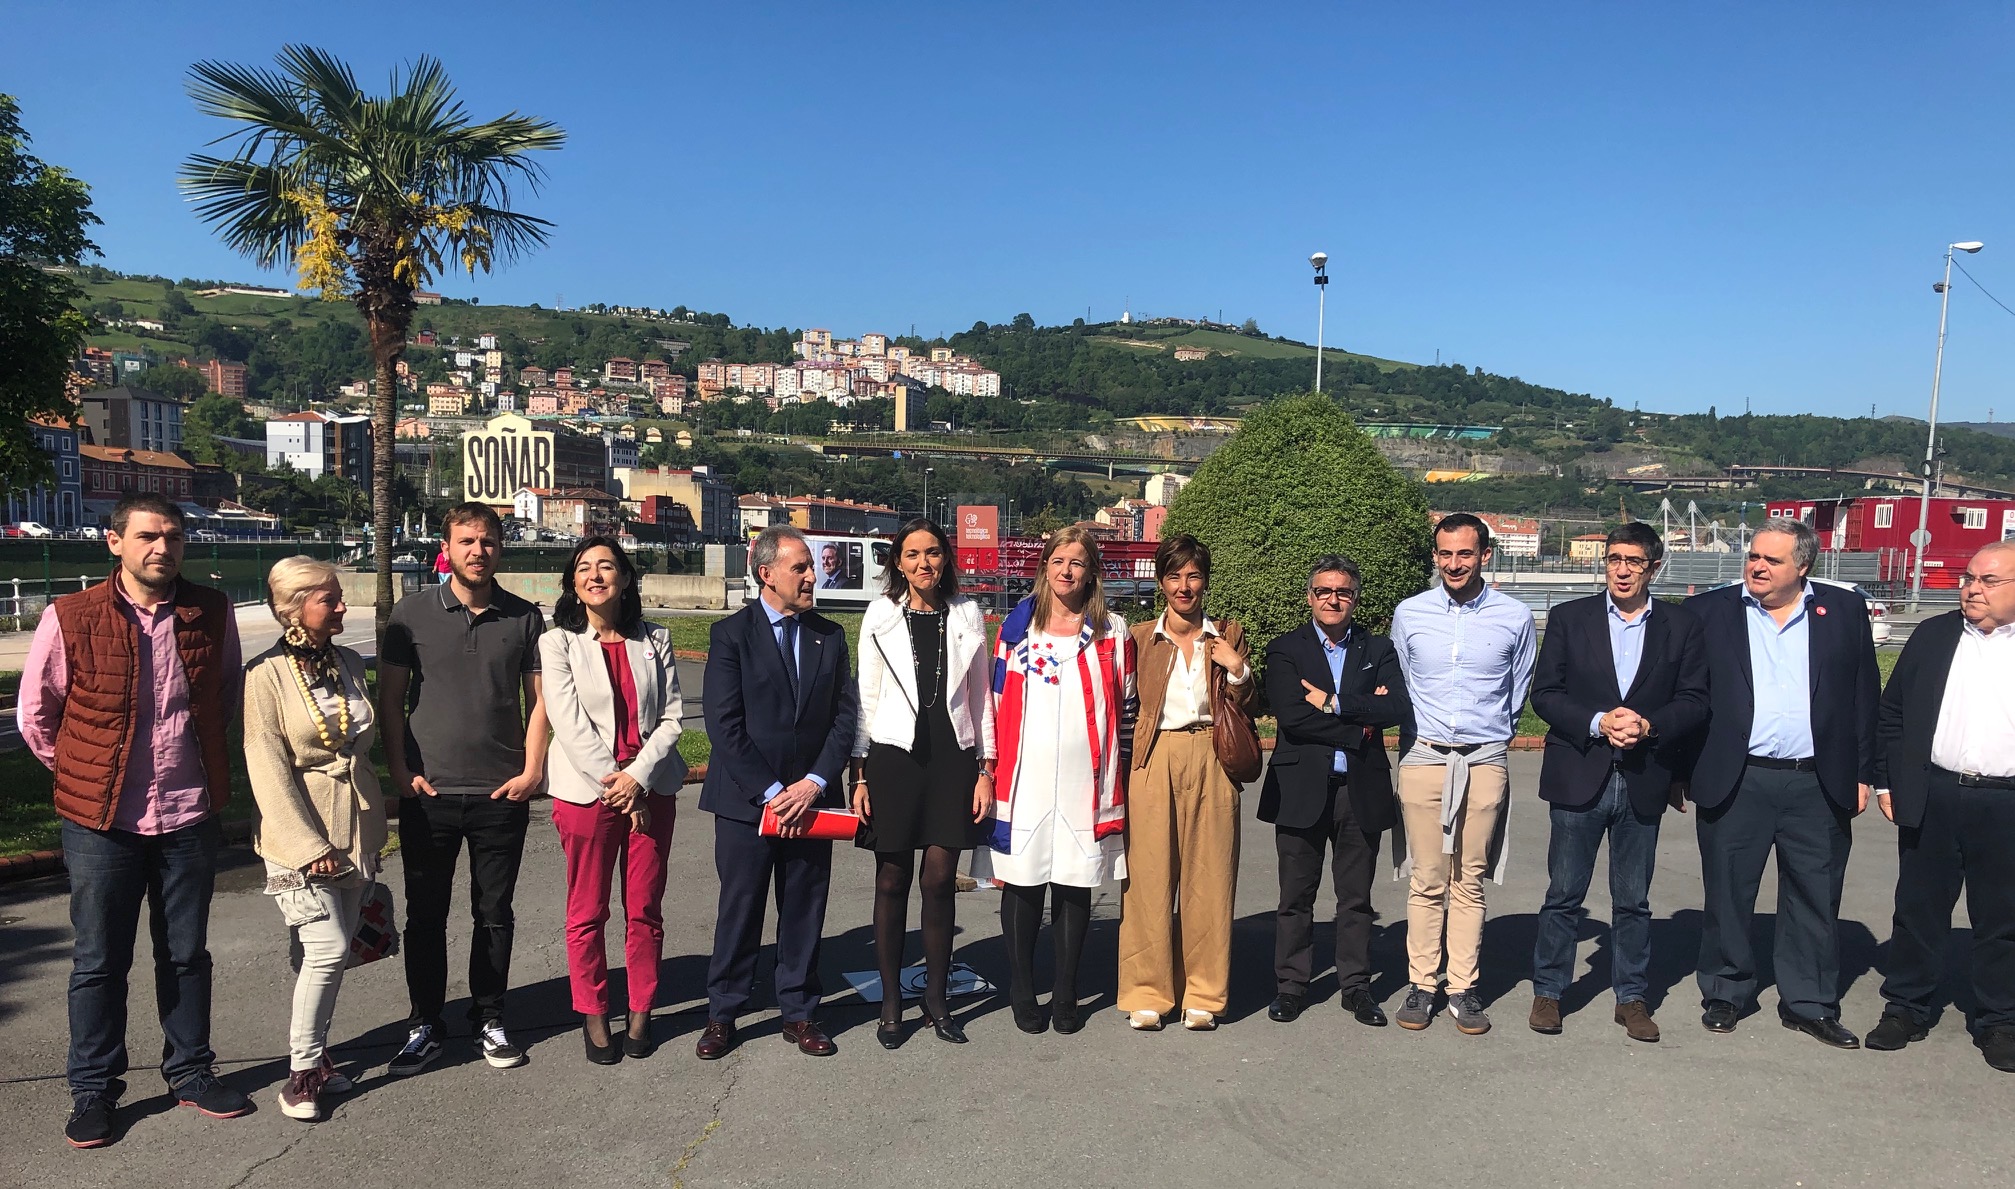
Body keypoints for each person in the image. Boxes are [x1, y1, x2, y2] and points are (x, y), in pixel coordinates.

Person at [17, 492, 250, 1148]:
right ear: (114, 542)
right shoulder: (72, 615)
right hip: (100, 819)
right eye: (148, 535)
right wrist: (82, 772)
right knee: (98, 958)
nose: (163, 547)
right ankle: (93, 1088)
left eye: (173, 536)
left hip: (187, 811)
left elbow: (223, 693)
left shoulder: (211, 610)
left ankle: (191, 1070)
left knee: (185, 953)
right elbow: (37, 713)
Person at [1678, 517, 1878, 1048]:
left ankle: (1808, 1001)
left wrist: (1864, 773)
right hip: (1737, 778)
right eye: (1754, 556)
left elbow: (1863, 697)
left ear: (1803, 566)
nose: (1757, 566)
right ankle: (1726, 989)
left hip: (1818, 781)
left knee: (1815, 893)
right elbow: (1686, 698)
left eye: (1772, 560)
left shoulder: (1843, 611)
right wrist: (1680, 771)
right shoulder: (1708, 613)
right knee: (1727, 890)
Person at [378, 502, 549, 1075]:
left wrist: (531, 771)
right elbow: (392, 701)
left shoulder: (525, 618)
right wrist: (399, 772)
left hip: (501, 793)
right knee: (425, 916)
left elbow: (539, 703)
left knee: (494, 913)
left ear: (502, 548)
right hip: (429, 792)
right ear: (446, 548)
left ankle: (490, 1017)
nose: (479, 550)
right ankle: (425, 1022)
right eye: (467, 541)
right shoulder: (410, 614)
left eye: (489, 541)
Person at [1527, 523, 1708, 1041]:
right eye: (1613, 559)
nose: (1622, 570)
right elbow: (1547, 693)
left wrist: (1650, 726)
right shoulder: (1568, 618)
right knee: (1564, 892)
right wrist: (1598, 721)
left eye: (1633, 561)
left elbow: (1696, 699)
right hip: (1580, 771)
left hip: (1644, 775)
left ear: (1655, 567)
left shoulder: (1681, 625)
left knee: (1633, 899)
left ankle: (1631, 997)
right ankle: (1549, 991)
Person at [697, 525, 858, 1059]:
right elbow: (724, 725)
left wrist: (812, 785)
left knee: (804, 908)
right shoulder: (729, 636)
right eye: (801, 568)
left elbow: (843, 718)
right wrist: (772, 792)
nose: (813, 576)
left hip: (811, 801)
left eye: (812, 567)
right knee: (739, 910)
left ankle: (800, 1011)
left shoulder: (829, 637)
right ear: (765, 574)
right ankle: (724, 1011)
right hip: (747, 802)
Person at [973, 525, 1137, 1035]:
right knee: (1021, 883)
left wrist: (1122, 772)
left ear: (1093, 572)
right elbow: (992, 706)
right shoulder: (1017, 630)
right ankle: (1024, 990)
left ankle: (1066, 991)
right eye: (1058, 561)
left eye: (1078, 563)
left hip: (1087, 784)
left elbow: (1128, 706)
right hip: (1024, 781)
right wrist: (987, 768)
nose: (1067, 571)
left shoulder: (1113, 630)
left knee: (1075, 882)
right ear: (1045, 567)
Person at [1865, 540, 2015, 1071]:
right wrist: (1887, 783)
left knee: (2002, 917)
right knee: (1919, 909)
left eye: (1988, 581)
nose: (1972, 588)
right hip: (1935, 794)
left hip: (2006, 803)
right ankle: (1905, 1007)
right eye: (1969, 577)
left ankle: (2000, 1019)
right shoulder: (1934, 635)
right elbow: (1894, 714)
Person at [243, 557, 384, 1120]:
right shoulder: (265, 676)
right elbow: (266, 764)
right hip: (300, 833)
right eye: (330, 599)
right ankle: (301, 1072)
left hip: (356, 823)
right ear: (295, 607)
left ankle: (320, 1057)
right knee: (325, 949)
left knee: (333, 949)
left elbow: (358, 738)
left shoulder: (348, 662)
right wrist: (308, 847)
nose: (344, 606)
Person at [1389, 512, 1537, 1035]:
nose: (1455, 564)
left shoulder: (1515, 617)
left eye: (1465, 554)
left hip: (1483, 760)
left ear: (1485, 556)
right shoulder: (1410, 613)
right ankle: (1421, 984)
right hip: (1425, 759)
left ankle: (1463, 987)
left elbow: (1517, 692)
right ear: (1435, 556)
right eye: (1445, 554)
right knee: (1427, 879)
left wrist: (1489, 738)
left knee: (1468, 880)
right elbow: (1403, 684)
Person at [541, 537, 686, 1065]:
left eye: (606, 566)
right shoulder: (557, 643)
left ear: (625, 579)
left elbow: (672, 717)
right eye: (584, 568)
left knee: (645, 908)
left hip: (651, 790)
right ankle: (594, 1012)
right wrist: (615, 782)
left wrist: (637, 779)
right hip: (586, 793)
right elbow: (568, 720)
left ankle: (642, 1008)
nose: (595, 575)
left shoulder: (656, 639)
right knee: (587, 911)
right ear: (573, 583)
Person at [851, 518, 995, 1048]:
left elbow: (982, 697)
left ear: (946, 558)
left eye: (932, 553)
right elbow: (865, 694)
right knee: (892, 877)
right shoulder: (880, 613)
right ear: (897, 563)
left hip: (952, 759)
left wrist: (986, 768)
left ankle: (937, 999)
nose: (923, 564)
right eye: (911, 555)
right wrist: (859, 772)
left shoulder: (966, 613)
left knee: (938, 880)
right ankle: (891, 1004)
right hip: (893, 758)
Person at [1258, 553, 1409, 1028]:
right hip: (1300, 786)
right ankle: (1291, 986)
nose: (1333, 599)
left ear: (1355, 598)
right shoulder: (1286, 649)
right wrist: (1357, 726)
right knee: (1295, 897)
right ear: (1310, 597)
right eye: (1323, 590)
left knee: (1355, 897)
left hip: (1359, 789)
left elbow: (1398, 707)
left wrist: (1334, 702)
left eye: (1342, 591)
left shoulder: (1379, 649)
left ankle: (1356, 988)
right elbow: (1291, 716)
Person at [1119, 534, 1254, 1032]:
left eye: (1194, 575)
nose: (1184, 586)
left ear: (1206, 581)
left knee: (1210, 878)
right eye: (1175, 576)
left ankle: (1205, 995)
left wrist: (1237, 670)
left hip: (1211, 754)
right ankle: (1147, 992)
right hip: (1154, 757)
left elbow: (1248, 706)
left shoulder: (1228, 635)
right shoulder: (1137, 638)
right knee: (1148, 878)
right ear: (1161, 583)